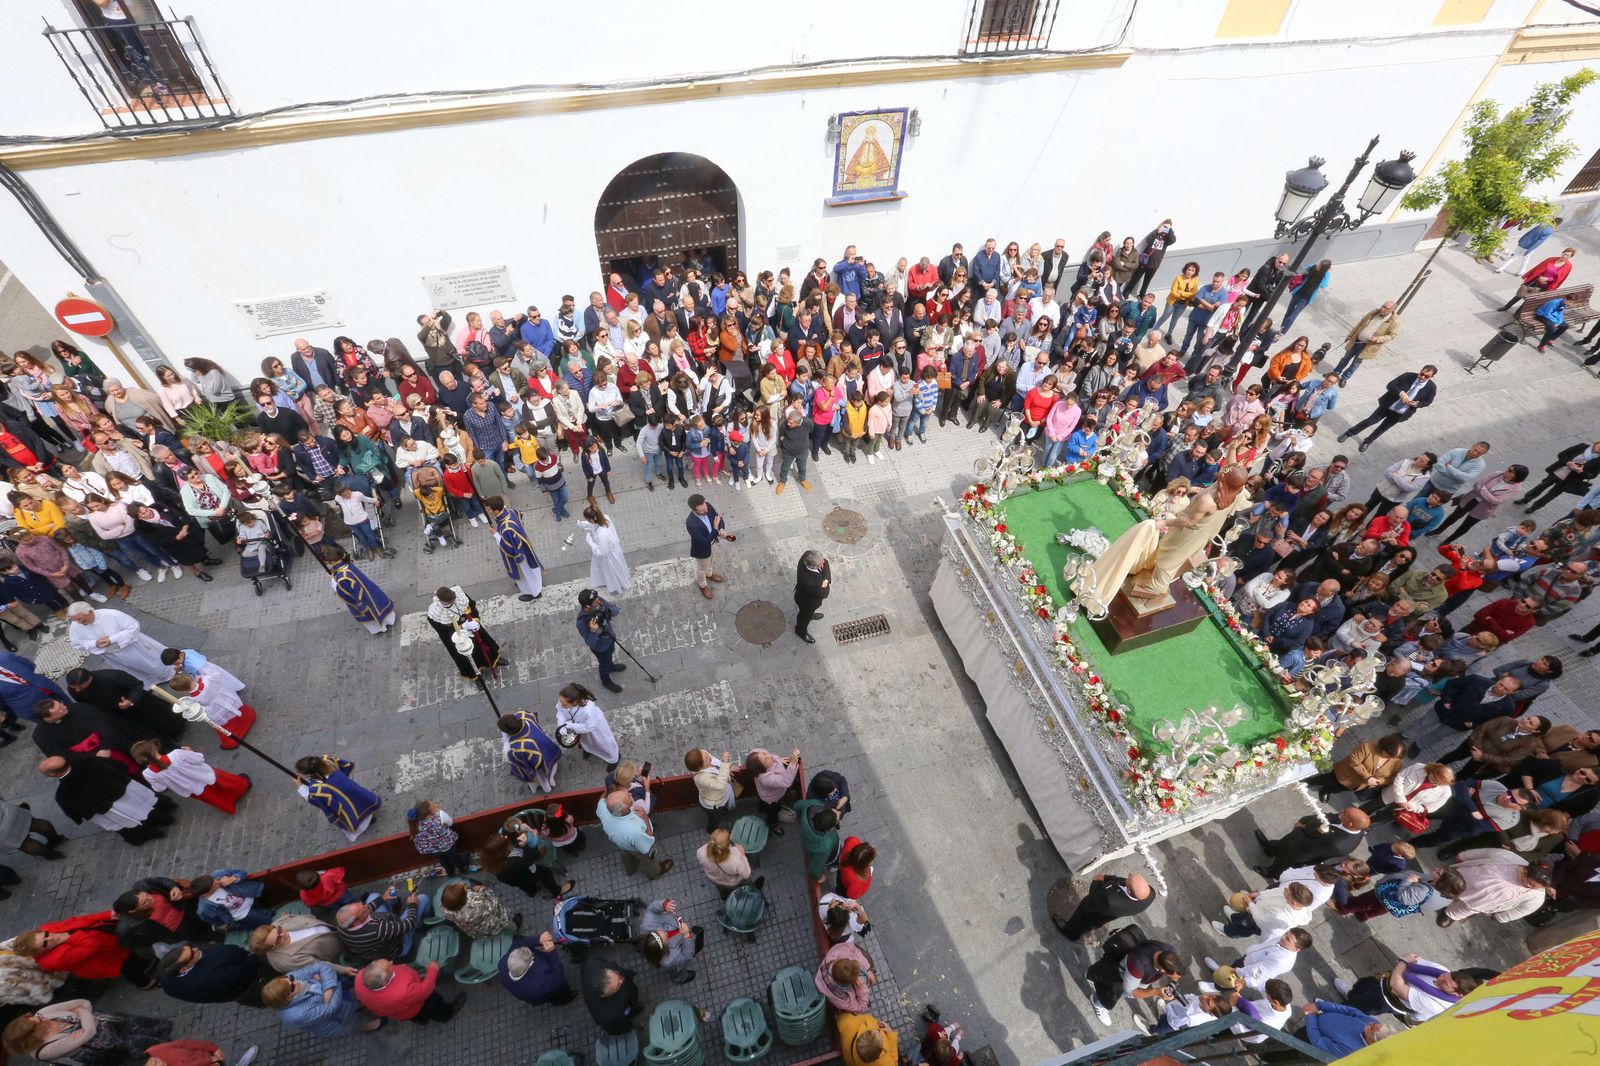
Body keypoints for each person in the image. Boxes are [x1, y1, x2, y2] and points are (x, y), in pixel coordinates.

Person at [39, 753, 170, 846]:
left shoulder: (63, 794)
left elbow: (76, 814)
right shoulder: (89, 760)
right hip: (125, 790)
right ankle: (165, 816)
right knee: (143, 804)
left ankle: (150, 833)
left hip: (109, 810)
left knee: (127, 821)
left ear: (52, 775)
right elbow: (118, 766)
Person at [1, 1001, 172, 1064]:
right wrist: (81, 1013)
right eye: (37, 1023)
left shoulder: (42, 1014)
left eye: (35, 1017)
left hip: (104, 1022)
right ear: (31, 1036)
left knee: (134, 1025)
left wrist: (84, 1016)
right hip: (104, 1044)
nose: (41, 1018)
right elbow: (90, 1032)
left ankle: (162, 1034)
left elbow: (84, 1002)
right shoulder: (44, 1051)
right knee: (134, 1043)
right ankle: (167, 1049)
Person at [1334, 954, 1481, 1024]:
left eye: (1449, 983)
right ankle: (1350, 995)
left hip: (1384, 1000)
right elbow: (1416, 959)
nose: (1444, 977)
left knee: (1354, 1008)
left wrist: (1403, 962)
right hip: (1380, 981)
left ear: (1457, 994)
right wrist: (1405, 964)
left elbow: (1396, 985)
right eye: (1451, 975)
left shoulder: (1436, 1005)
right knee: (1359, 987)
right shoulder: (1443, 971)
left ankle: (1326, 1010)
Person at [1085, 933, 1184, 1027]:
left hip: (1133, 970)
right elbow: (1131, 992)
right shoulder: (1138, 966)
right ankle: (1097, 1002)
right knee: (1110, 996)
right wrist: (1156, 992)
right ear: (1162, 970)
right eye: (1170, 974)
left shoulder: (1168, 952)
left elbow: (1175, 972)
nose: (1175, 977)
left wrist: (1173, 980)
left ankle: (1092, 975)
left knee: (1100, 972)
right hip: (1121, 975)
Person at [1438, 848, 1552, 925]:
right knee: (1445, 884)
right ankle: (1436, 890)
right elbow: (1487, 853)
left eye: (1533, 887)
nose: (1528, 886)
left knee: (1467, 908)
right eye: (1529, 882)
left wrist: (1502, 917)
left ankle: (1450, 914)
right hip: (1468, 877)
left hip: (1483, 901)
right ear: (1526, 871)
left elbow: (1522, 910)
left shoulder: (1536, 897)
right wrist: (1464, 856)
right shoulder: (1511, 859)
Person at [65, 602, 169, 686]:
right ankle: (148, 683)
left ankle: (166, 675)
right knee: (130, 670)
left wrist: (111, 639)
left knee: (149, 663)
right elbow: (76, 643)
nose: (79, 622)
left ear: (90, 612)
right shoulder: (76, 625)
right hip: (111, 654)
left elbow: (133, 627)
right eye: (76, 620)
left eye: (81, 619)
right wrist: (95, 643)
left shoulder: (111, 615)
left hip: (131, 648)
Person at [1337, 366, 1438, 452]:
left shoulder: (1431, 387)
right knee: (1370, 421)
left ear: (1432, 377)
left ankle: (1367, 442)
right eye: (1422, 373)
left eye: (1426, 376)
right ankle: (1349, 433)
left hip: (1401, 413)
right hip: (1388, 405)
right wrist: (1400, 393)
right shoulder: (1408, 376)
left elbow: (1428, 402)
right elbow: (1390, 385)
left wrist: (1417, 404)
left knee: (1383, 428)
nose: (1422, 377)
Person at [262, 960, 375, 1037]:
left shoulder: (290, 979)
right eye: (292, 986)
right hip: (335, 1021)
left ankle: (360, 1005)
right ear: (287, 999)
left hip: (337, 1001)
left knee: (351, 1001)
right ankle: (363, 1027)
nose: (295, 981)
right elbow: (332, 1009)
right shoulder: (298, 1015)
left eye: (290, 979)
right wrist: (331, 983)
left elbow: (322, 966)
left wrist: (327, 988)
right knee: (351, 1023)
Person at [1253, 807, 1370, 879]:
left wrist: (1302, 829)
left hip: (1300, 852)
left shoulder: (1340, 844)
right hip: (1296, 837)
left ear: (1351, 825)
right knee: (1280, 844)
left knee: (1284, 862)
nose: (1341, 812)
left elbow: (1311, 849)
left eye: (1344, 813)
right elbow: (1326, 817)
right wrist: (1304, 821)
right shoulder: (1346, 820)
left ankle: (1271, 872)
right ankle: (1270, 849)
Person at [295, 754, 382, 842]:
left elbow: (316, 801)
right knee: (361, 803)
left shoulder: (317, 788)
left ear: (309, 774)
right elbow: (347, 765)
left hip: (343, 804)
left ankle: (363, 824)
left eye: (301, 773)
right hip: (351, 790)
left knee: (350, 814)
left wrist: (301, 787)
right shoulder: (328, 761)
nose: (298, 774)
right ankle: (370, 818)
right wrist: (341, 780)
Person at [355, 958, 464, 1024]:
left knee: (417, 1017)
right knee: (434, 1004)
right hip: (418, 1005)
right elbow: (427, 988)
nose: (391, 962)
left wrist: (400, 968)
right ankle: (446, 1014)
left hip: (401, 1013)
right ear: (384, 982)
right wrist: (433, 969)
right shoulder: (402, 992)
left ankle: (423, 1020)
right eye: (390, 966)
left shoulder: (360, 977)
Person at [426, 585, 500, 681]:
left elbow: (472, 606)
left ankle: (493, 661)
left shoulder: (459, 595)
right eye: (450, 601)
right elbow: (443, 632)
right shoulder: (435, 613)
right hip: (459, 638)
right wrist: (462, 629)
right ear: (441, 601)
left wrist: (475, 621)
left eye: (454, 599)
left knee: (484, 643)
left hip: (472, 627)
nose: (453, 602)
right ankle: (476, 677)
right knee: (468, 657)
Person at [1054, 872, 1154, 941]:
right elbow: (1123, 882)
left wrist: (1096, 881)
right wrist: (1107, 877)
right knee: (1095, 923)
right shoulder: (1150, 894)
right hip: (1108, 913)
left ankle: (1071, 932)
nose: (1129, 874)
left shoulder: (1110, 899)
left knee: (1083, 919)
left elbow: (1094, 895)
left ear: (1129, 891)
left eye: (1129, 877)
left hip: (1094, 909)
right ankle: (1083, 929)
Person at [596, 789, 672, 878]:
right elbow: (649, 839)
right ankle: (654, 873)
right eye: (628, 796)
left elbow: (601, 799)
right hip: (638, 845)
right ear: (625, 808)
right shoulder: (634, 831)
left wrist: (607, 790)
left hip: (622, 843)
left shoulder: (603, 808)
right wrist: (645, 818)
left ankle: (630, 870)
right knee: (649, 860)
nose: (630, 793)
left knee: (626, 854)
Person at [156, 942, 262, 1004]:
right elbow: (247, 970)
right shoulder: (215, 976)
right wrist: (255, 955)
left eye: (190, 947)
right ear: (185, 968)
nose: (196, 949)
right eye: (192, 953)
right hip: (245, 986)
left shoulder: (165, 978)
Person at [324, 545, 396, 636]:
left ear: (333, 561)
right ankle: (389, 620)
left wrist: (332, 581)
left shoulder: (342, 577)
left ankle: (379, 628)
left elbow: (344, 593)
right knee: (378, 604)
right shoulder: (346, 562)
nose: (328, 564)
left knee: (370, 613)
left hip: (360, 599)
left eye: (328, 562)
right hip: (369, 589)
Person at [484, 496, 542, 601]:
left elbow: (508, 548)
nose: (487, 511)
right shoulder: (508, 511)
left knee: (525, 573)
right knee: (529, 572)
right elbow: (519, 514)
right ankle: (533, 587)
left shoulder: (507, 528)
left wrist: (496, 534)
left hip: (519, 554)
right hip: (523, 546)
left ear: (496, 510)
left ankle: (534, 592)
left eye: (488, 509)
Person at [247, 912, 342, 974]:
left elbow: (290, 917)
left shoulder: (277, 925)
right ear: (272, 948)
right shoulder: (288, 961)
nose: (283, 934)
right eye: (278, 940)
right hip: (340, 949)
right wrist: (343, 970)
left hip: (333, 929)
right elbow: (320, 966)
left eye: (279, 931)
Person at [638, 898, 704, 985]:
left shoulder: (646, 925)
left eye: (658, 931)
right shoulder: (669, 960)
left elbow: (651, 909)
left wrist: (664, 905)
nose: (665, 932)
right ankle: (679, 979)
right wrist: (687, 936)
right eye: (665, 937)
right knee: (675, 971)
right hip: (679, 951)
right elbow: (687, 955)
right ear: (664, 948)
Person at [500, 931, 574, 1006]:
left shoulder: (503, 963)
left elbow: (519, 943)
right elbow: (558, 978)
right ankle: (564, 999)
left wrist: (538, 939)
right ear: (527, 967)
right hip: (544, 993)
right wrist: (551, 953)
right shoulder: (540, 985)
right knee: (559, 994)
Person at [556, 683, 619, 769]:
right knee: (586, 742)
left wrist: (571, 726)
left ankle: (614, 758)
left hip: (594, 730)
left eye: (564, 705)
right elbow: (560, 712)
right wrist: (561, 724)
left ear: (574, 702)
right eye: (560, 702)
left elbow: (589, 727)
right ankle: (589, 750)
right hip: (579, 729)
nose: (561, 705)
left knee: (604, 743)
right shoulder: (563, 701)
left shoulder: (588, 709)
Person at [1301, 1000, 1395, 1057]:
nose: (1370, 1022)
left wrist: (1310, 1017)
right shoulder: (1374, 1024)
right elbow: (1350, 1011)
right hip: (1315, 1018)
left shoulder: (1351, 1051)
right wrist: (1319, 1006)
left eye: (1372, 1027)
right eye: (1375, 1023)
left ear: (1373, 1042)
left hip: (1307, 1036)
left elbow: (1318, 1041)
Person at [498, 710, 562, 793]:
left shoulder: (517, 748)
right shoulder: (522, 714)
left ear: (508, 732)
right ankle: (551, 780)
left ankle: (546, 787)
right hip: (546, 748)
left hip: (538, 765)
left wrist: (506, 744)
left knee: (541, 777)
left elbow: (513, 759)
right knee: (549, 766)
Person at [577, 588, 625, 694]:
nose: (599, 600)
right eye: (596, 601)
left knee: (610, 653)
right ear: (588, 606)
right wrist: (593, 631)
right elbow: (590, 642)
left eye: (598, 598)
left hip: (610, 637)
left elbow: (616, 610)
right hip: (600, 648)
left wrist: (609, 612)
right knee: (604, 664)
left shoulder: (600, 601)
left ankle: (611, 666)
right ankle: (606, 681)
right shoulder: (581, 622)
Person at [582, 957, 646, 1035]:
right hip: (623, 1010)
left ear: (605, 970)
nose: (622, 980)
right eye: (618, 985)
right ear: (604, 995)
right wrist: (629, 1027)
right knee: (627, 1012)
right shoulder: (609, 1016)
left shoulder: (590, 965)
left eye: (616, 974)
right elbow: (618, 1028)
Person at [685, 493, 731, 600]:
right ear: (693, 510)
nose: (706, 511)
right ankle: (702, 585)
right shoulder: (691, 523)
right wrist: (715, 529)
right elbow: (704, 542)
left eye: (705, 506)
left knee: (712, 560)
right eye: (702, 511)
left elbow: (718, 518)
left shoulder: (707, 506)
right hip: (702, 549)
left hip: (713, 542)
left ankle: (709, 574)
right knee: (702, 569)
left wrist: (722, 530)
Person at [436, 880, 517, 940]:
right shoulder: (478, 902)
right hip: (492, 923)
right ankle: (514, 926)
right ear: (464, 899)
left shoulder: (444, 907)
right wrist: (482, 889)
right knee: (503, 918)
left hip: (476, 929)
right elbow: (493, 901)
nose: (463, 885)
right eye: (465, 889)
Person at [578, 504, 631, 593]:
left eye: (587, 519)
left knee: (611, 571)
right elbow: (595, 525)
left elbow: (602, 552)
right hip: (613, 550)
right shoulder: (605, 517)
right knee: (616, 569)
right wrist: (583, 525)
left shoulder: (602, 535)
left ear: (591, 519)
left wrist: (590, 541)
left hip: (609, 556)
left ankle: (615, 584)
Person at [815, 940, 875, 1011]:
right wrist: (862, 989)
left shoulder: (836, 954)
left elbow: (851, 947)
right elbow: (861, 1008)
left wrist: (867, 968)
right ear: (851, 983)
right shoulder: (844, 1000)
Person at [794, 549, 830, 644]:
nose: (824, 561)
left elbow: (826, 562)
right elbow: (825, 593)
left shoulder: (806, 557)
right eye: (822, 562)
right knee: (804, 616)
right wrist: (826, 580)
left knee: (808, 614)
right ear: (815, 566)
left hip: (802, 593)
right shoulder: (812, 582)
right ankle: (800, 631)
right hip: (807, 603)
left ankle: (810, 615)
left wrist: (824, 577)